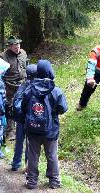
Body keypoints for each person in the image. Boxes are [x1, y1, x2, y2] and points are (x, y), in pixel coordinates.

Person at [20, 60, 68, 189]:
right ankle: (54, 181)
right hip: (51, 130)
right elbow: (63, 108)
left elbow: (23, 108)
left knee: (33, 155)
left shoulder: (29, 89)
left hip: (32, 129)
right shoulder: (56, 90)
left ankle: (32, 182)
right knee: (52, 155)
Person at [0, 35, 28, 141]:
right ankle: (10, 132)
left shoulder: (23, 53)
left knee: (22, 107)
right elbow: (0, 73)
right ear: (10, 46)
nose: (17, 47)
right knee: (10, 108)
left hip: (22, 85)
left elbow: (25, 66)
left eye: (18, 44)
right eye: (15, 45)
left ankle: (21, 130)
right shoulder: (3, 57)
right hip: (9, 87)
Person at [11, 64, 37, 172]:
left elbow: (16, 100)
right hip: (30, 119)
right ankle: (27, 165)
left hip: (20, 119)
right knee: (29, 143)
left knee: (19, 142)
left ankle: (16, 163)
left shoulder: (22, 86)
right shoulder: (36, 87)